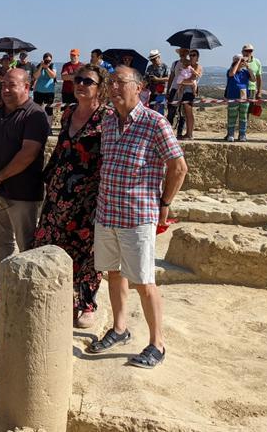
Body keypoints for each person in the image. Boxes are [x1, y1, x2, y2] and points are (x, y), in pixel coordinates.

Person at [87, 66, 188, 370]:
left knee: (144, 281)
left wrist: (165, 202)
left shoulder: (154, 122)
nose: (114, 87)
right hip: (107, 212)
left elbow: (179, 167)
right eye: (111, 82)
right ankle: (120, 328)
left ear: (139, 87)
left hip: (137, 216)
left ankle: (157, 343)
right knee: (113, 273)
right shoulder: (108, 120)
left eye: (121, 82)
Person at [34, 64, 113, 328]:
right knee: (53, 241)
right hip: (59, 191)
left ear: (100, 87)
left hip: (89, 195)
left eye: (87, 81)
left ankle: (87, 304)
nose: (80, 85)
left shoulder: (108, 117)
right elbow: (61, 148)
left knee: (87, 251)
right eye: (78, 80)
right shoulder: (67, 113)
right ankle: (59, 296)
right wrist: (46, 177)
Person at [0, 68, 49, 308]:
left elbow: (28, 154)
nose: (5, 89)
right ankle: (3, 288)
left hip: (23, 193)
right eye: (3, 84)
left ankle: (27, 295)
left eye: (12, 85)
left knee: (27, 245)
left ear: (27, 87)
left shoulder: (35, 115)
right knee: (2, 242)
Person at [224, 55, 252, 142]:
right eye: (240, 60)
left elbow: (253, 79)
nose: (242, 62)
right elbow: (232, 74)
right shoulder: (230, 70)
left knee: (243, 117)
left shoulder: (245, 72)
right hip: (233, 96)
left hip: (244, 97)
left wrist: (248, 67)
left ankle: (242, 135)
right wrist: (239, 61)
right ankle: (231, 134)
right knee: (232, 117)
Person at [32, 52, 57, 124]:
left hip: (49, 92)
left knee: (49, 110)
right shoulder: (39, 66)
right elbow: (35, 76)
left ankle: (48, 127)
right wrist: (41, 67)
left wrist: (47, 68)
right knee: (36, 109)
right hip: (38, 91)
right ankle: (36, 126)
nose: (48, 62)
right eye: (46, 61)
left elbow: (53, 76)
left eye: (49, 61)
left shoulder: (52, 66)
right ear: (43, 60)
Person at [144, 50, 169, 115]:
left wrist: (158, 79)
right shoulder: (149, 67)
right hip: (151, 92)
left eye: (154, 59)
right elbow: (145, 78)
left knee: (159, 110)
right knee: (150, 110)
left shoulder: (164, 67)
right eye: (151, 60)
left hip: (160, 92)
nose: (153, 61)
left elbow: (168, 78)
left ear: (158, 57)